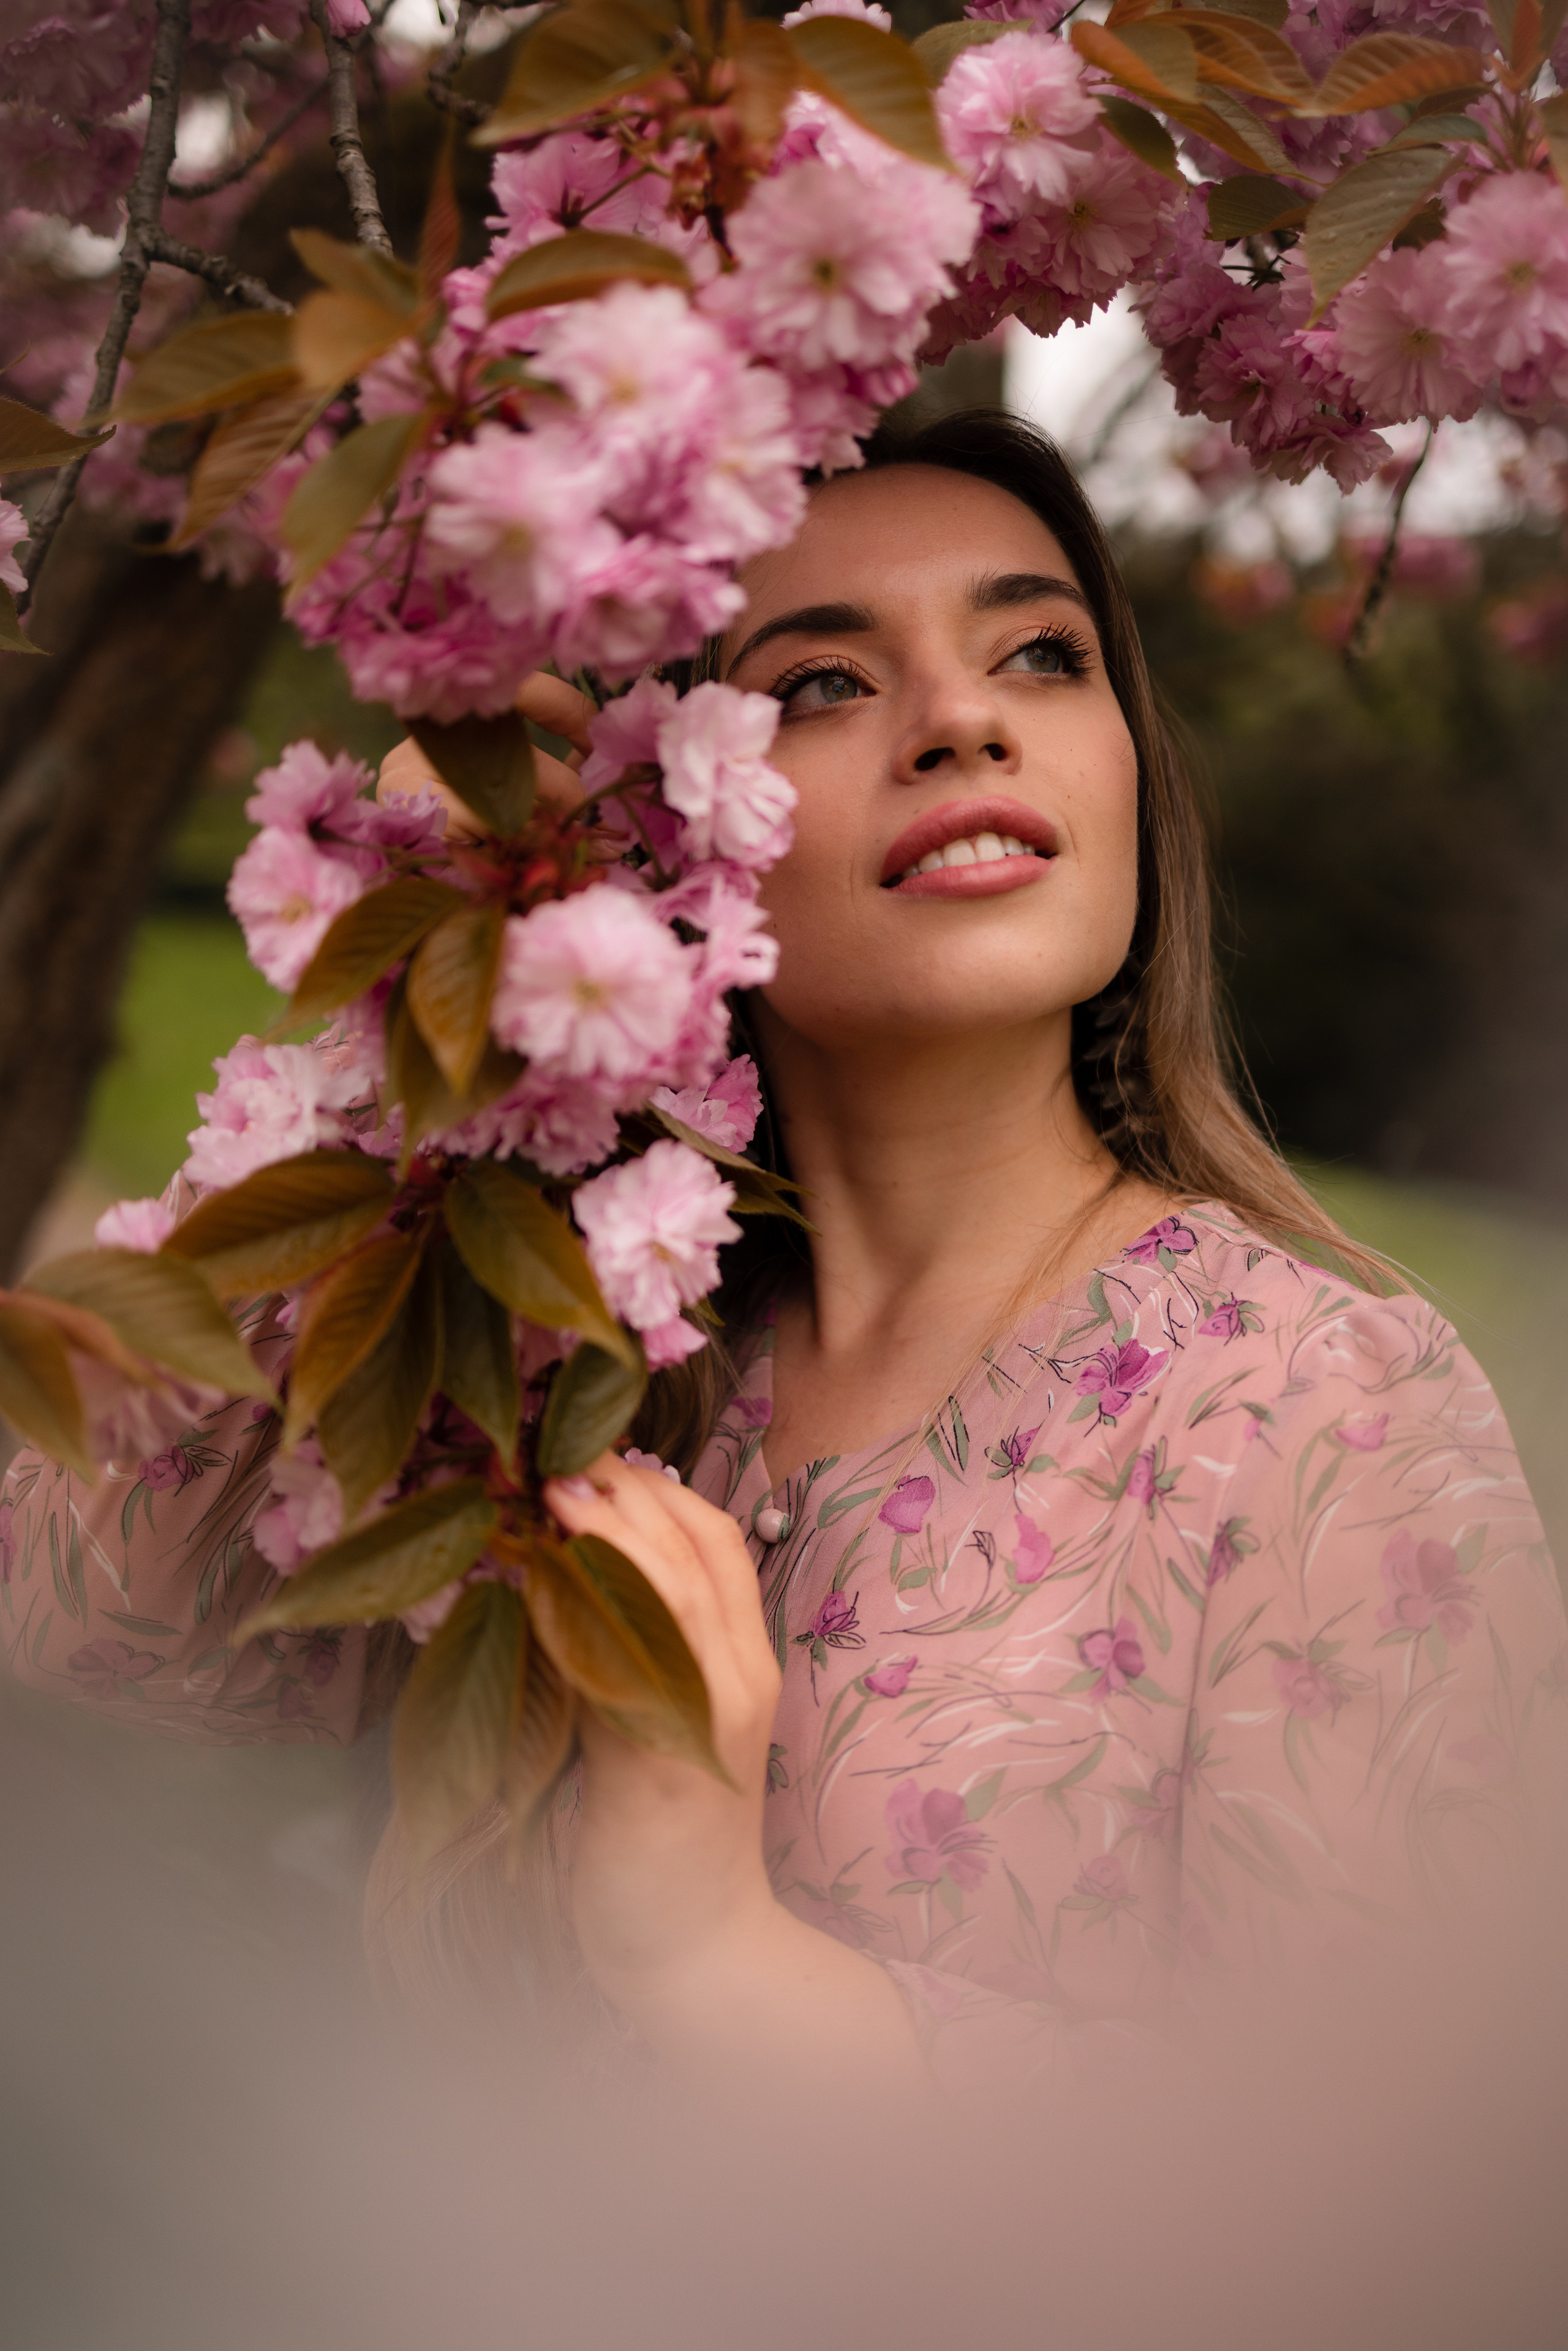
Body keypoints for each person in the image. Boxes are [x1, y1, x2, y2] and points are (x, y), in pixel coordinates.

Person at [4, 413, 1563, 2088]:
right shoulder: (591, 1357)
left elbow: (1375, 2213)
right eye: (822, 682)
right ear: (661, 839)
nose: (964, 721)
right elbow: (84, 1606)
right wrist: (430, 1025)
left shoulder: (1326, 1410)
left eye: (1041, 654)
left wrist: (719, 1960)